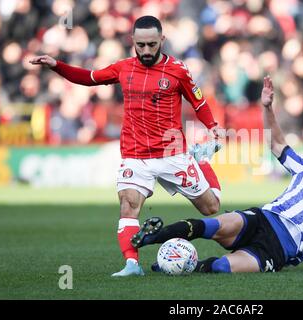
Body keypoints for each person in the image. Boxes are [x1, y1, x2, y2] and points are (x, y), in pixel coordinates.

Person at [132, 76, 303, 274]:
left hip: (278, 250)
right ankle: (151, 237)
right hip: (263, 219)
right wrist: (267, 107)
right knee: (213, 225)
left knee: (223, 268)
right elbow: (277, 144)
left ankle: (178, 267)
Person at [30, 16, 223, 277]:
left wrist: (213, 127)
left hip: (172, 154)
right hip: (135, 156)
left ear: (162, 41)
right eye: (140, 45)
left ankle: (201, 163)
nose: (145, 51)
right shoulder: (123, 68)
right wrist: (57, 66)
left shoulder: (178, 70)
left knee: (211, 208)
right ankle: (132, 264)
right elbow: (89, 78)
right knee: (128, 204)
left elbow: (198, 102)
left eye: (151, 45)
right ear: (132, 41)